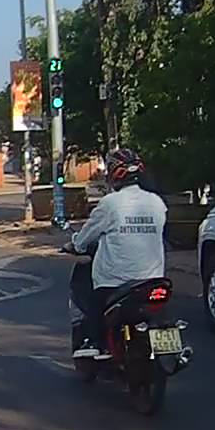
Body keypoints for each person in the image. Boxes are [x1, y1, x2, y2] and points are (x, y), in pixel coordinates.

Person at [67, 148, 167, 359]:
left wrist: (76, 244)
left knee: (92, 299)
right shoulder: (157, 203)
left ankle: (97, 343)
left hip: (115, 281)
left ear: (113, 174)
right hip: (153, 278)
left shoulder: (110, 204)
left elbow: (85, 237)